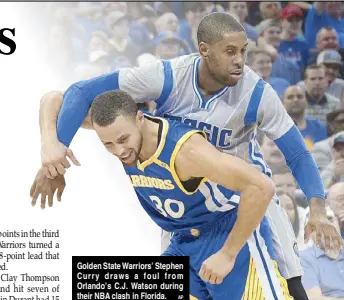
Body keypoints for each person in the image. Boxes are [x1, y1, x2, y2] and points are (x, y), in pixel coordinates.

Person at [37, 12, 343, 299]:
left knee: (292, 282)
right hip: (183, 206)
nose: (240, 61)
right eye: (230, 52)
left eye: (243, 51)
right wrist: (54, 150)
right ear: (204, 50)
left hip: (239, 199)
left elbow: (298, 153)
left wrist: (316, 205)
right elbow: (75, 94)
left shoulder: (258, 94)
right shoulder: (164, 77)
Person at [31, 90, 291, 299]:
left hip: (227, 234)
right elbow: (51, 99)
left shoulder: (187, 151)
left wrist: (227, 254)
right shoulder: (114, 128)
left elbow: (261, 187)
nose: (119, 151)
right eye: (108, 144)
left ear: (140, 119)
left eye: (123, 139)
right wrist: (50, 145)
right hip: (183, 242)